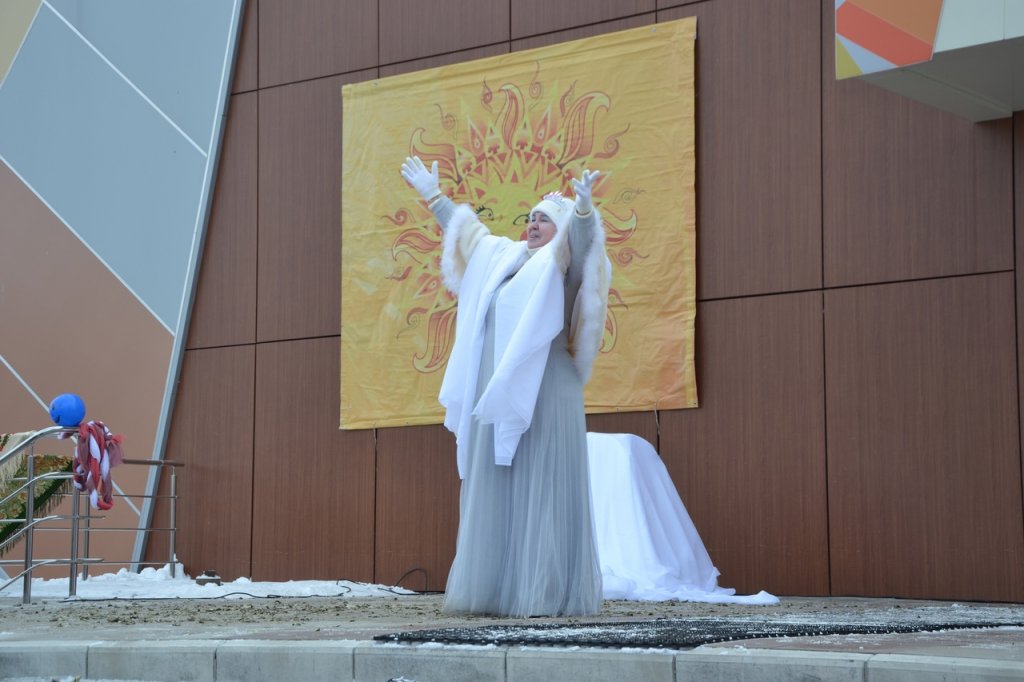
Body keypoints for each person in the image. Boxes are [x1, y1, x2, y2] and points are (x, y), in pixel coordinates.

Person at [400, 155, 612, 617]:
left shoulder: (561, 266)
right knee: (498, 487)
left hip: (547, 390)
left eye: (544, 219)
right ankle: (497, 591)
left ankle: (544, 592)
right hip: (497, 392)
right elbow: (470, 237)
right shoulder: (503, 259)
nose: (533, 224)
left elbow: (581, 247)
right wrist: (434, 196)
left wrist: (580, 211)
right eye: (530, 217)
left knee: (542, 487)